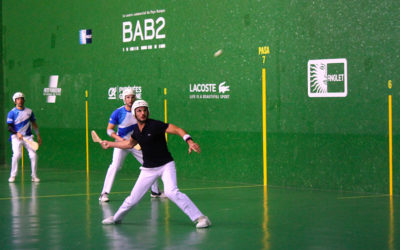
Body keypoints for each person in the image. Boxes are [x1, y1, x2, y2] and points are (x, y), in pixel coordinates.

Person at [100, 100, 211, 228]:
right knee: (133, 199)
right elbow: (129, 144)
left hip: (166, 165)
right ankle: (116, 218)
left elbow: (178, 130)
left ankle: (201, 218)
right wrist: (110, 144)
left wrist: (189, 141)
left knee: (171, 192)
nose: (142, 113)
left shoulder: (155, 125)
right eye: (139, 111)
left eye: (144, 110)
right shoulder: (136, 130)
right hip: (148, 169)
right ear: (134, 114)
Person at [99, 88, 163, 202]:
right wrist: (119, 139)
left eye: (132, 97)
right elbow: (109, 130)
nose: (130, 99)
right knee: (115, 166)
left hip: (135, 144)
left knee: (150, 164)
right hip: (121, 144)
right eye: (128, 97)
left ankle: (155, 191)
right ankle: (104, 193)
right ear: (124, 99)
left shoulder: (139, 112)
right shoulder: (118, 112)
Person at [7, 92, 42, 183]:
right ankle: (12, 175)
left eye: (21, 98)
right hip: (16, 137)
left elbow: (34, 124)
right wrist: (16, 133)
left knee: (33, 155)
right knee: (17, 155)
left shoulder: (29, 111)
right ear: (15, 101)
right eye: (18, 99)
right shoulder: (12, 113)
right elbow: (9, 127)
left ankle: (34, 176)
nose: (20, 100)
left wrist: (38, 135)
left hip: (28, 137)